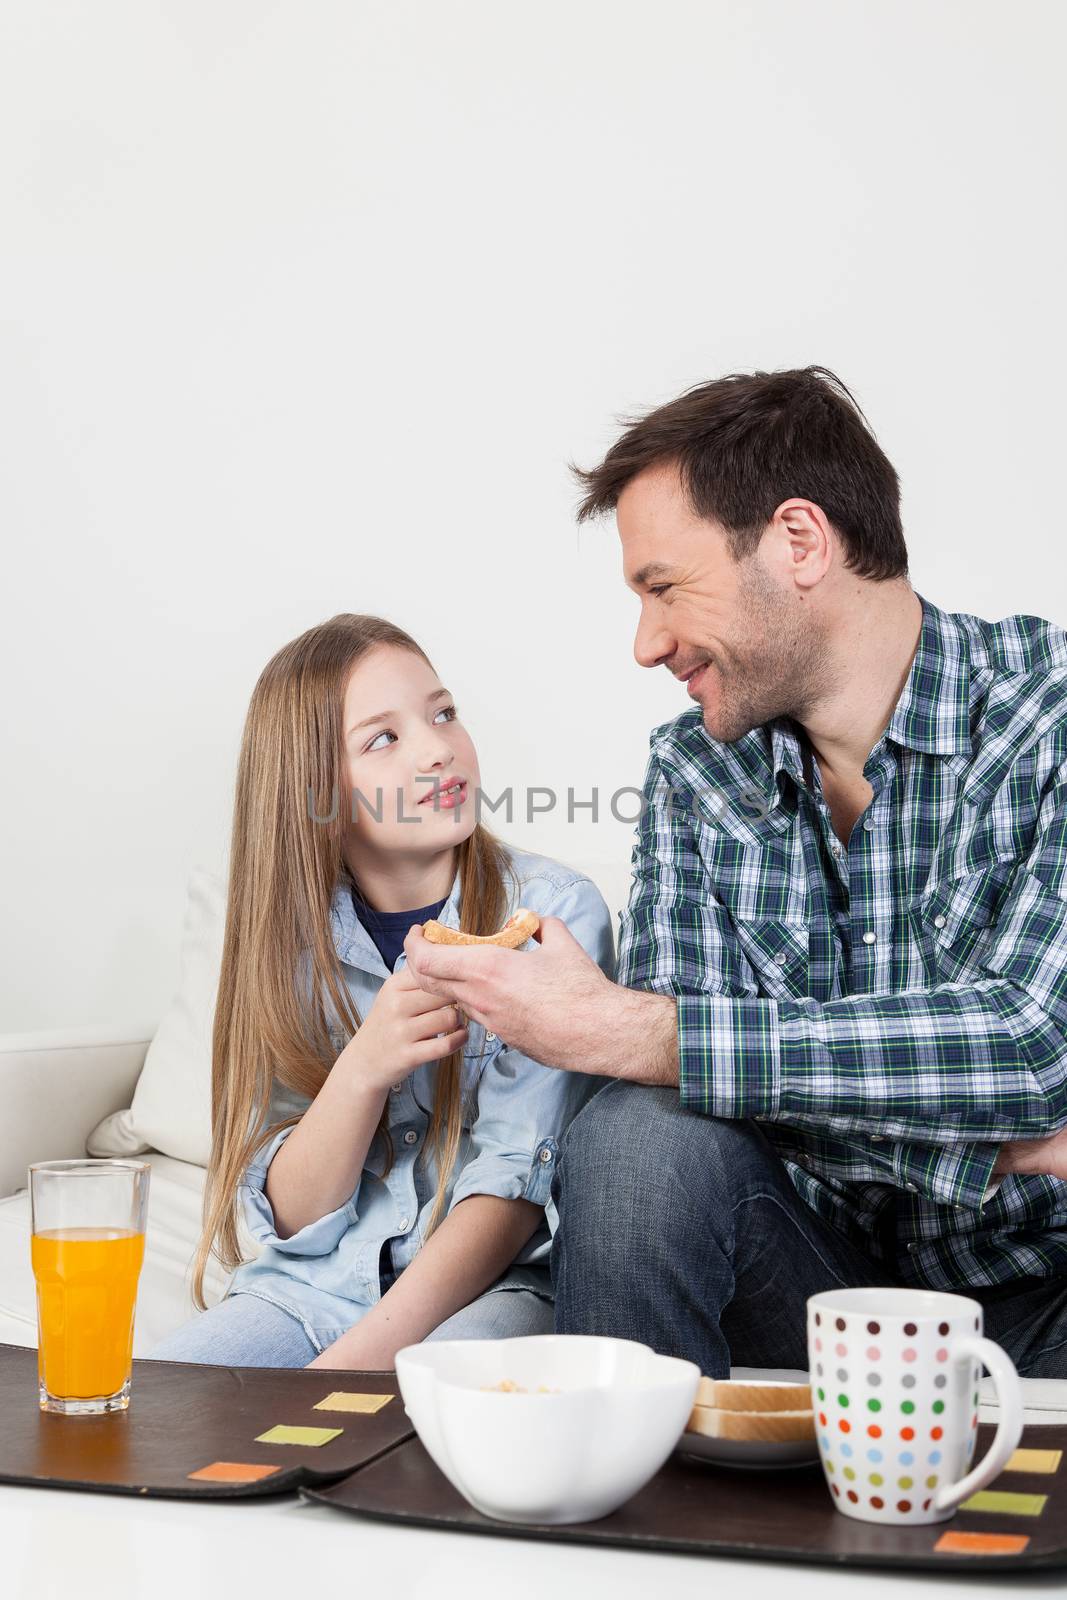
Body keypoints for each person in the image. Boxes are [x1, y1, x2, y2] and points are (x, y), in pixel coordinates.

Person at [404, 365, 1067, 1379]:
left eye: (662, 586)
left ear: (796, 542)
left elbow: (1029, 1047)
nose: (645, 642)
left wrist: (636, 1031)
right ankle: (624, 1521)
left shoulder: (1044, 715)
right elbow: (694, 1102)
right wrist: (992, 1144)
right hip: (821, 1295)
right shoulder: (693, 769)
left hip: (1047, 1293)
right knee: (635, 1133)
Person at [147, 613, 613, 1369]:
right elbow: (295, 1218)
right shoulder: (282, 943)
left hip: (493, 1291)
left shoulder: (552, 915)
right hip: (310, 1287)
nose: (439, 748)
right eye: (383, 738)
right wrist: (363, 1068)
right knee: (163, 1416)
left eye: (443, 713)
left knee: (433, 1417)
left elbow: (514, 1183)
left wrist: (355, 1365)